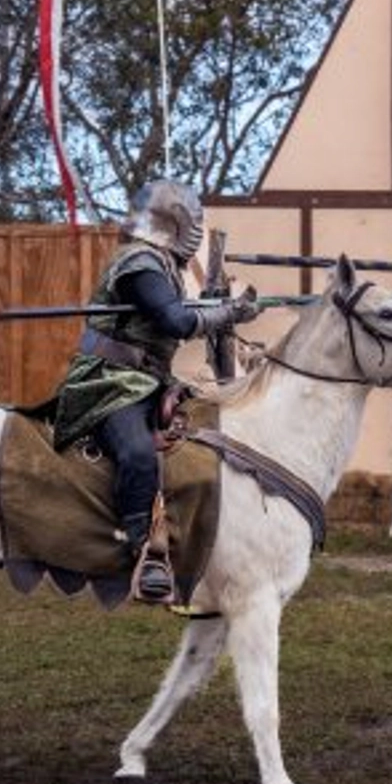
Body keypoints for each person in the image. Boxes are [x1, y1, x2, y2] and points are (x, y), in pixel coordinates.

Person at [50, 180, 260, 604]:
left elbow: (180, 313)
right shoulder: (139, 261)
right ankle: (142, 551)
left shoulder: (159, 263)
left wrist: (220, 309)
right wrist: (231, 312)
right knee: (138, 452)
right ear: (179, 224)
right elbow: (175, 321)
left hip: (148, 381)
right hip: (108, 383)